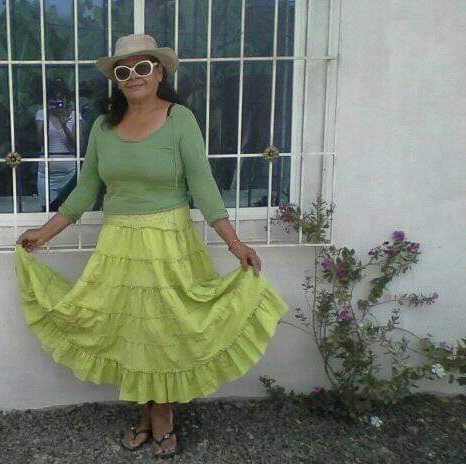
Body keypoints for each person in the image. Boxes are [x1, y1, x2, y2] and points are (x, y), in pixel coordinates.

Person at [14, 33, 289, 458]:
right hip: (118, 245)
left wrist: (234, 243)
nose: (134, 76)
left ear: (159, 72)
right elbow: (85, 190)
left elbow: (203, 185)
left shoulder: (180, 120)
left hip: (168, 244)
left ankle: (162, 418)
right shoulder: (104, 127)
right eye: (123, 71)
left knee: (163, 331)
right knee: (132, 332)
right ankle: (146, 414)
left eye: (142, 67)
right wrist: (44, 233)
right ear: (117, 80)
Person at [35, 78, 83, 211]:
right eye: (54, 99)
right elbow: (40, 143)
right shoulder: (42, 114)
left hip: (69, 175)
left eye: (61, 98)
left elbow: (78, 145)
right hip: (46, 175)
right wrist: (47, 115)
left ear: (67, 99)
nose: (58, 102)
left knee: (69, 212)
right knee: (47, 211)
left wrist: (64, 125)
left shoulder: (74, 115)